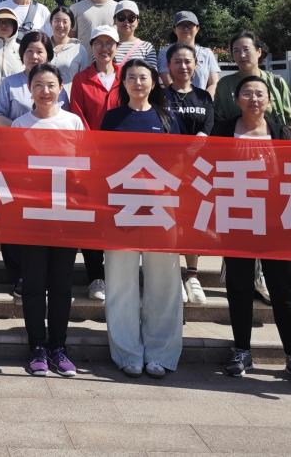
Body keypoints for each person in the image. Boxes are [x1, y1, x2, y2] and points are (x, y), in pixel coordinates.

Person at [216, 75, 291, 387]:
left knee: (282, 289)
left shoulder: (281, 132)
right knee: (239, 286)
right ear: (237, 99)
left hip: (276, 221)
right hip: (237, 218)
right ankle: (241, 350)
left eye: (260, 94)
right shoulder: (223, 130)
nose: (254, 99)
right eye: (247, 93)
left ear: (270, 101)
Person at [100, 58, 185, 378]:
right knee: (120, 284)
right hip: (121, 209)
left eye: (143, 77)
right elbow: (102, 162)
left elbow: (179, 163)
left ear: (153, 82)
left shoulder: (167, 118)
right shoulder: (112, 118)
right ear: (123, 84)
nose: (138, 83)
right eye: (131, 78)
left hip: (160, 210)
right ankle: (127, 353)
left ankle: (161, 353)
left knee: (164, 284)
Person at [13, 63, 87, 377]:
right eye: (38, 85)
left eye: (51, 85)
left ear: (61, 88)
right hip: (32, 215)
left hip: (65, 214)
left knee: (61, 284)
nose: (45, 91)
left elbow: (85, 165)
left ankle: (59, 346)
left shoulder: (73, 122)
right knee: (33, 284)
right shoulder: (20, 125)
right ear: (29, 89)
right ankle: (37, 347)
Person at [67, 25, 121, 302]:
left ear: (116, 47)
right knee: (92, 218)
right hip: (91, 158)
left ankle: (118, 275)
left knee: (117, 217)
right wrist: (93, 149)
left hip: (123, 160)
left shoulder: (127, 75)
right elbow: (78, 117)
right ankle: (95, 276)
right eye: (99, 43)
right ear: (91, 47)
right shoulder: (81, 79)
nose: (104, 48)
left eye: (109, 43)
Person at [162, 42, 216, 308]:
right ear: (168, 66)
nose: (183, 66)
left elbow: (209, 127)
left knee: (194, 220)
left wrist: (198, 143)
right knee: (170, 220)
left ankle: (192, 274)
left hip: (198, 169)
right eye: (177, 61)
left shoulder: (204, 97)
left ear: (195, 65)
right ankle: (172, 274)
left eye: (187, 61)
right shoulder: (160, 96)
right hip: (168, 168)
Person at [214, 31, 291, 135]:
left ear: (258, 52)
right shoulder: (224, 85)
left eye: (246, 49)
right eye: (236, 51)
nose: (242, 55)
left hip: (273, 141)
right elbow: (218, 119)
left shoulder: (276, 82)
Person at [0, 31, 70, 125]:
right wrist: (20, 129)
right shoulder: (9, 83)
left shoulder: (56, 85)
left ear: (48, 55)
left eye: (39, 52)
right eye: (29, 51)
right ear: (22, 54)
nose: (34, 56)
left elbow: (65, 118)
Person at [156, 11, 220, 96]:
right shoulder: (165, 52)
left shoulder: (207, 53)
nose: (186, 28)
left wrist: (204, 100)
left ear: (197, 28)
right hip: (175, 101)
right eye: (181, 25)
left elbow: (214, 84)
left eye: (190, 25)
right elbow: (167, 80)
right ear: (174, 29)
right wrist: (184, 100)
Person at [49, 5, 87, 83]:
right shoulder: (43, 46)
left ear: (71, 25)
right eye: (57, 21)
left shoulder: (79, 49)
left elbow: (85, 78)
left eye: (65, 22)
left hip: (71, 91)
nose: (61, 25)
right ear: (51, 23)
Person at [112, 0, 155, 67]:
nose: (126, 21)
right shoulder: (106, 46)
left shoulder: (147, 47)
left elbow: (151, 72)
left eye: (131, 18)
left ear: (137, 22)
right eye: (121, 17)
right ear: (114, 20)